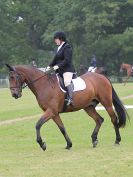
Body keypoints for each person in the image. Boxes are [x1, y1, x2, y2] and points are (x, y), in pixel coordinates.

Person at [46, 31, 75, 106]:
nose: (55, 41)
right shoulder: (59, 48)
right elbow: (55, 59)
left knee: (67, 82)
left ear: (61, 39)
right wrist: (50, 66)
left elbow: (67, 60)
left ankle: (71, 99)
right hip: (59, 71)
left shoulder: (67, 47)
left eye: (56, 39)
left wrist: (58, 66)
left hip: (67, 70)